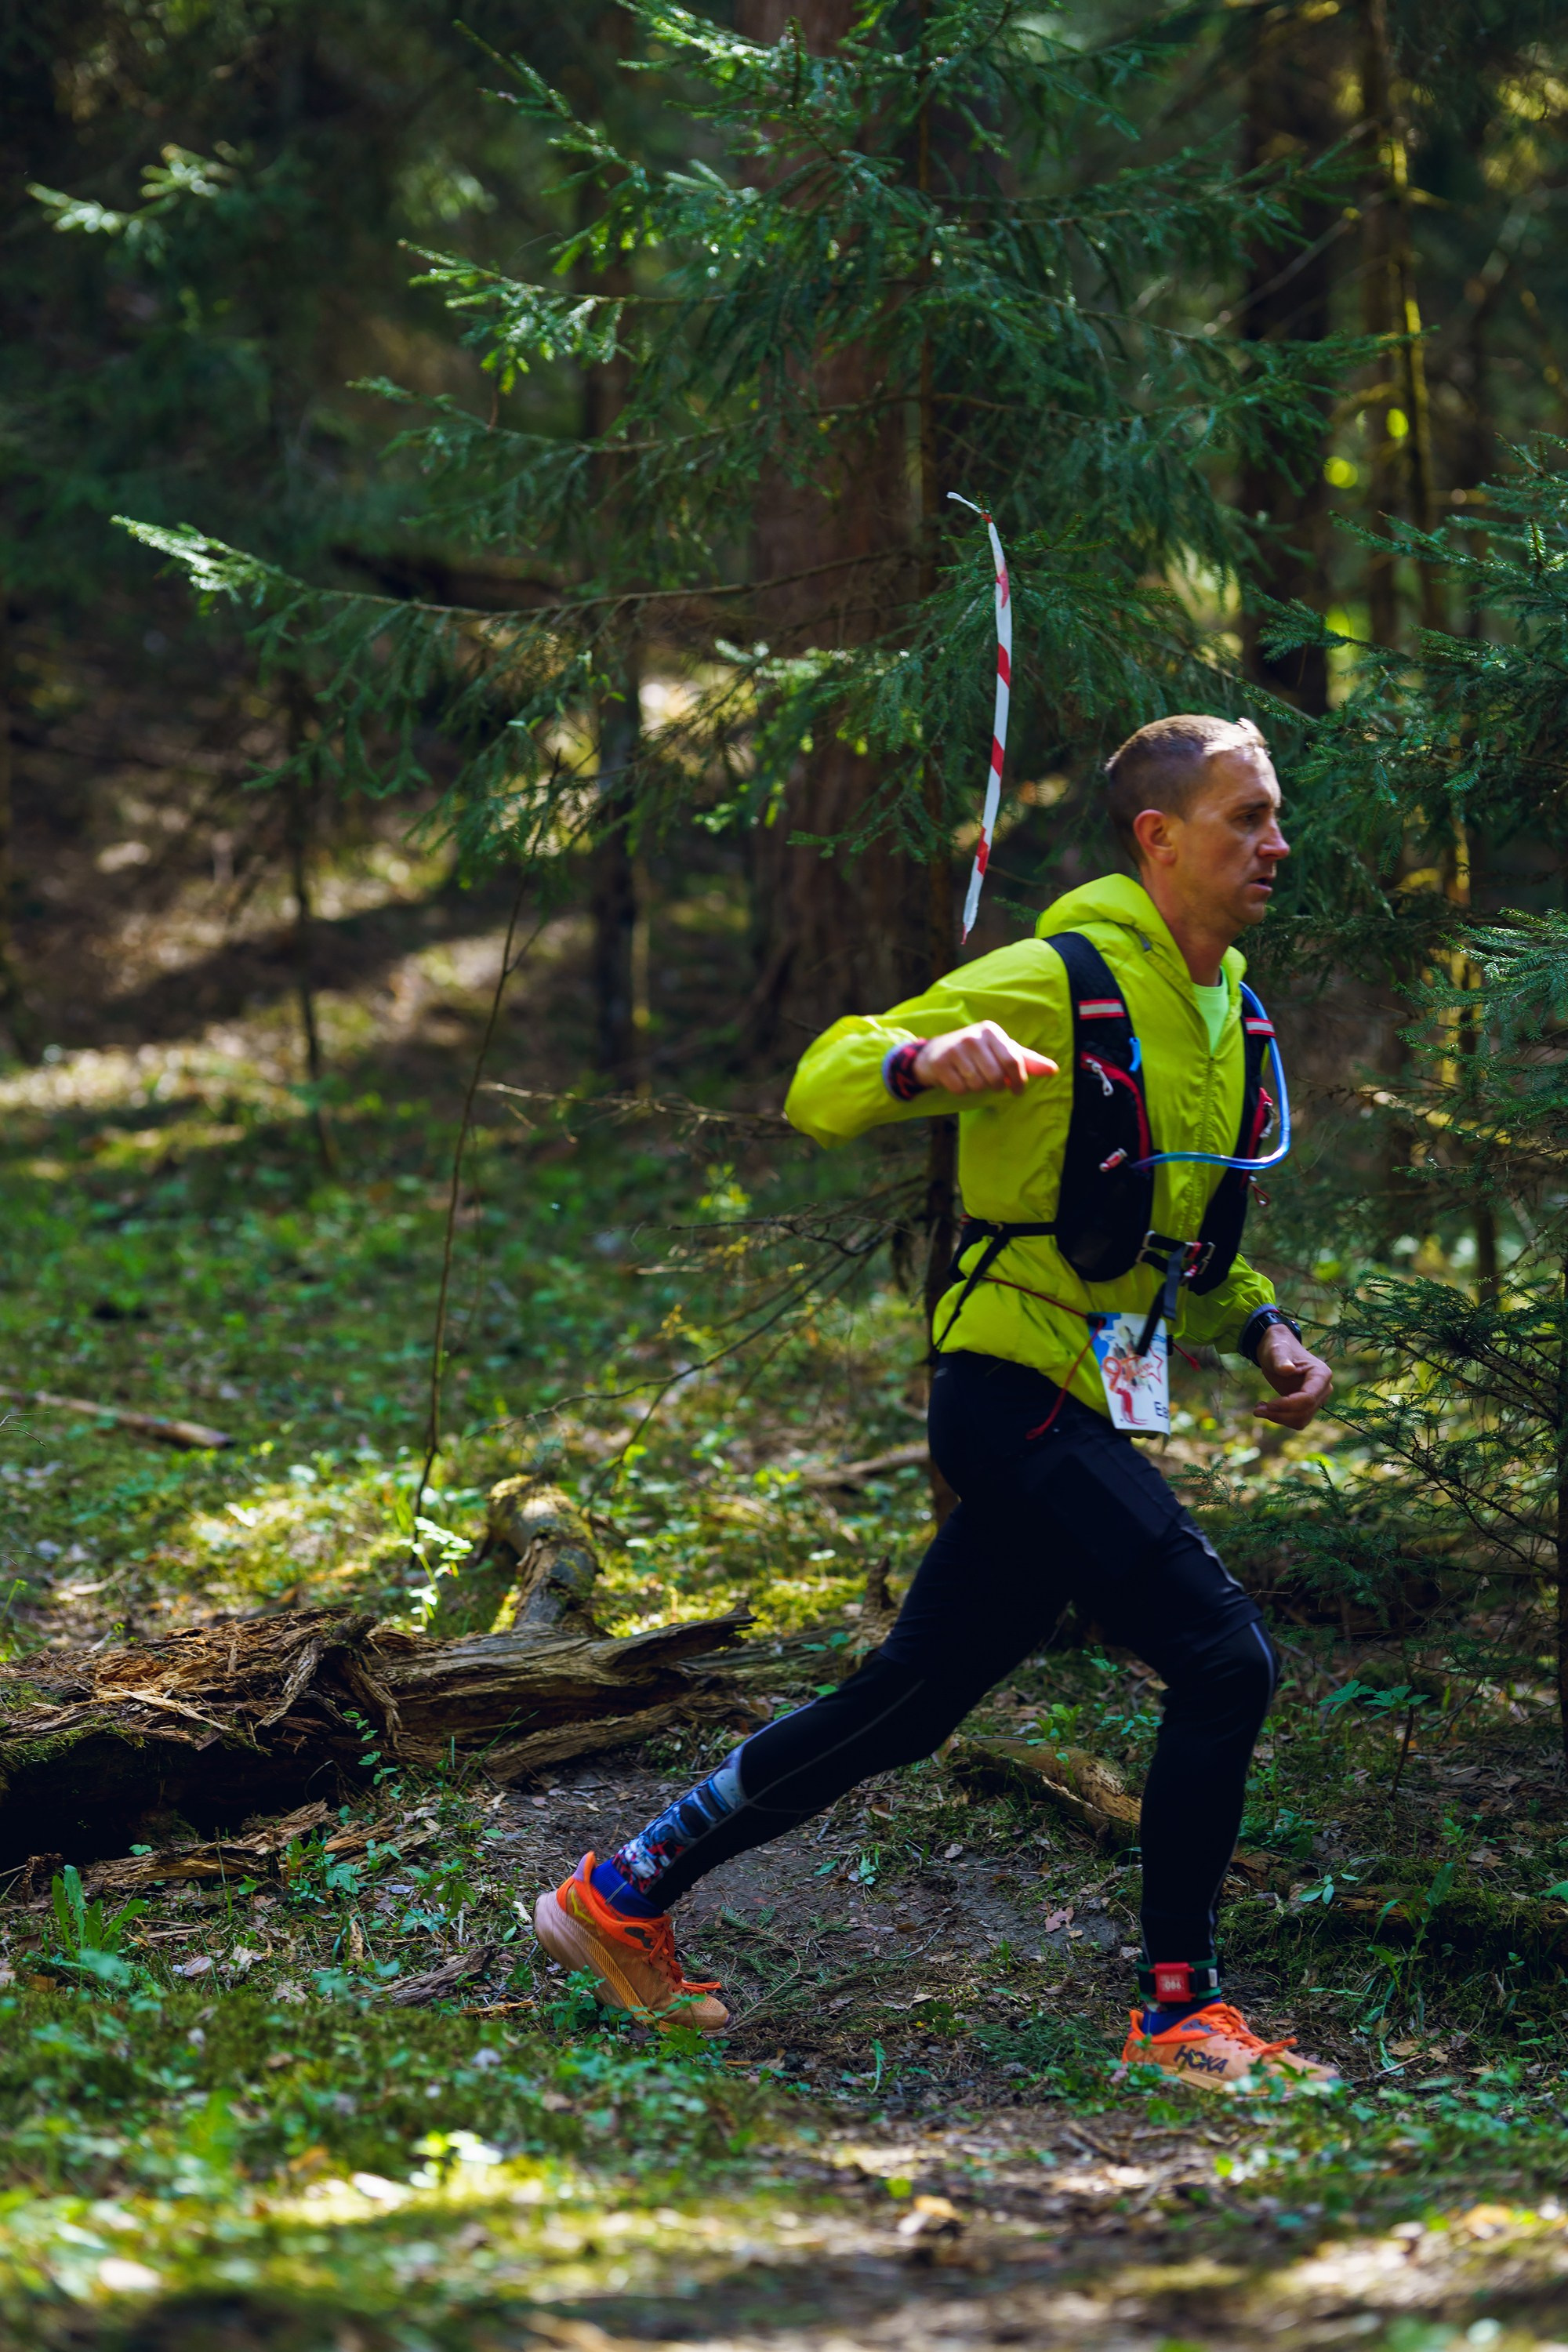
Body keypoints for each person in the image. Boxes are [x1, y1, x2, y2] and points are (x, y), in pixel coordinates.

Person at [534, 713, 1339, 2096]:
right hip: (1010, 1393)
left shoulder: (1228, 1007)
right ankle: (1180, 2016)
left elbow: (1171, 1231)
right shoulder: (1051, 976)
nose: (1276, 843)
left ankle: (619, 1895)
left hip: (1089, 1400)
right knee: (1224, 1658)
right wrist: (922, 1062)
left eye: (1274, 818)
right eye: (1245, 819)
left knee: (907, 1704)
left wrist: (1260, 1329)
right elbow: (822, 1081)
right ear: (1158, 837)